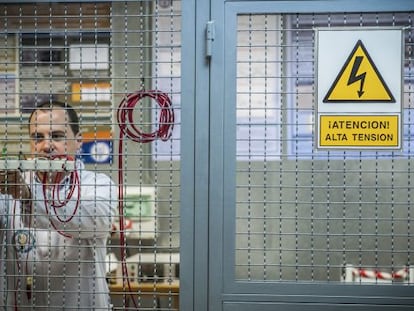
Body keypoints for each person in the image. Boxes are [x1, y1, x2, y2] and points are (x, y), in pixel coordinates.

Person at [0, 101, 118, 310]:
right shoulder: (11, 188)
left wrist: (28, 198)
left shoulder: (97, 185)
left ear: (78, 140)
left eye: (57, 136)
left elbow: (96, 219)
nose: (47, 146)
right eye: (38, 137)